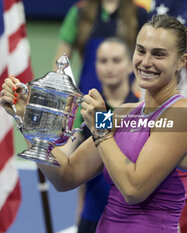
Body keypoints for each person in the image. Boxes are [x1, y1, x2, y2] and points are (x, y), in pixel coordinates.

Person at [0, 14, 187, 233]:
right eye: (141, 50)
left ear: (181, 61)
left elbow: (134, 189)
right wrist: (29, 118)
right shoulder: (121, 113)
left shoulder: (184, 115)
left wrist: (100, 129)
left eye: (158, 54)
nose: (146, 61)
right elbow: (66, 175)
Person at [65, 37, 139, 233]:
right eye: (103, 61)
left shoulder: (140, 110)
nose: (109, 67)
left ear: (130, 66)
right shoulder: (86, 110)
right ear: (95, 66)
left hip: (131, 220)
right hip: (92, 219)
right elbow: (70, 161)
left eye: (116, 60)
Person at [55, 0, 148, 95]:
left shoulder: (139, 12)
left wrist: (136, 91)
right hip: (87, 93)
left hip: (126, 97)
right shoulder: (79, 11)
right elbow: (61, 60)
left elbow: (146, 55)